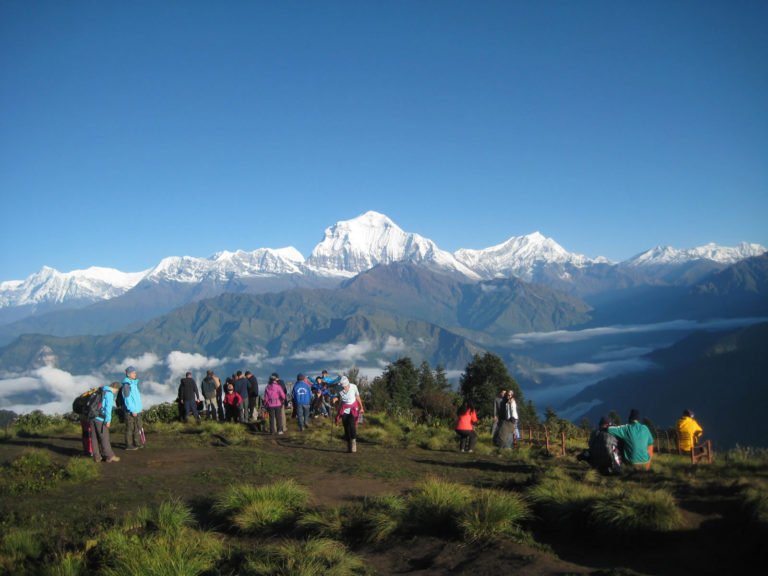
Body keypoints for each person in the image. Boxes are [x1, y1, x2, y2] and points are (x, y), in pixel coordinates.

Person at [91, 382, 121, 463]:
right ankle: (109, 456)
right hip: (100, 418)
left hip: (92, 416)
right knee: (104, 437)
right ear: (116, 389)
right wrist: (108, 420)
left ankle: (97, 457)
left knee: (94, 438)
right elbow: (108, 409)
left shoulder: (100, 390)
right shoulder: (109, 394)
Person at [335, 376, 364, 453]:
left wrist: (361, 407)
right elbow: (338, 396)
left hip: (353, 408)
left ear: (348, 384)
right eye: (342, 386)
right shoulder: (339, 388)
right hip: (344, 409)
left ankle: (354, 442)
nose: (343, 387)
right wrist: (335, 399)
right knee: (346, 427)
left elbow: (357, 397)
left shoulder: (354, 386)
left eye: (344, 386)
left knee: (352, 425)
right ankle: (349, 444)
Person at [122, 366, 145, 450]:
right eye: (133, 373)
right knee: (130, 428)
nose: (135, 374)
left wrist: (139, 408)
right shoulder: (127, 385)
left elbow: (136, 398)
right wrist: (132, 410)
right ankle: (129, 445)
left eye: (135, 372)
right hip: (130, 411)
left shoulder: (133, 384)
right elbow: (127, 399)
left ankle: (137, 443)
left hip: (136, 410)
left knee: (137, 427)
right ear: (129, 374)